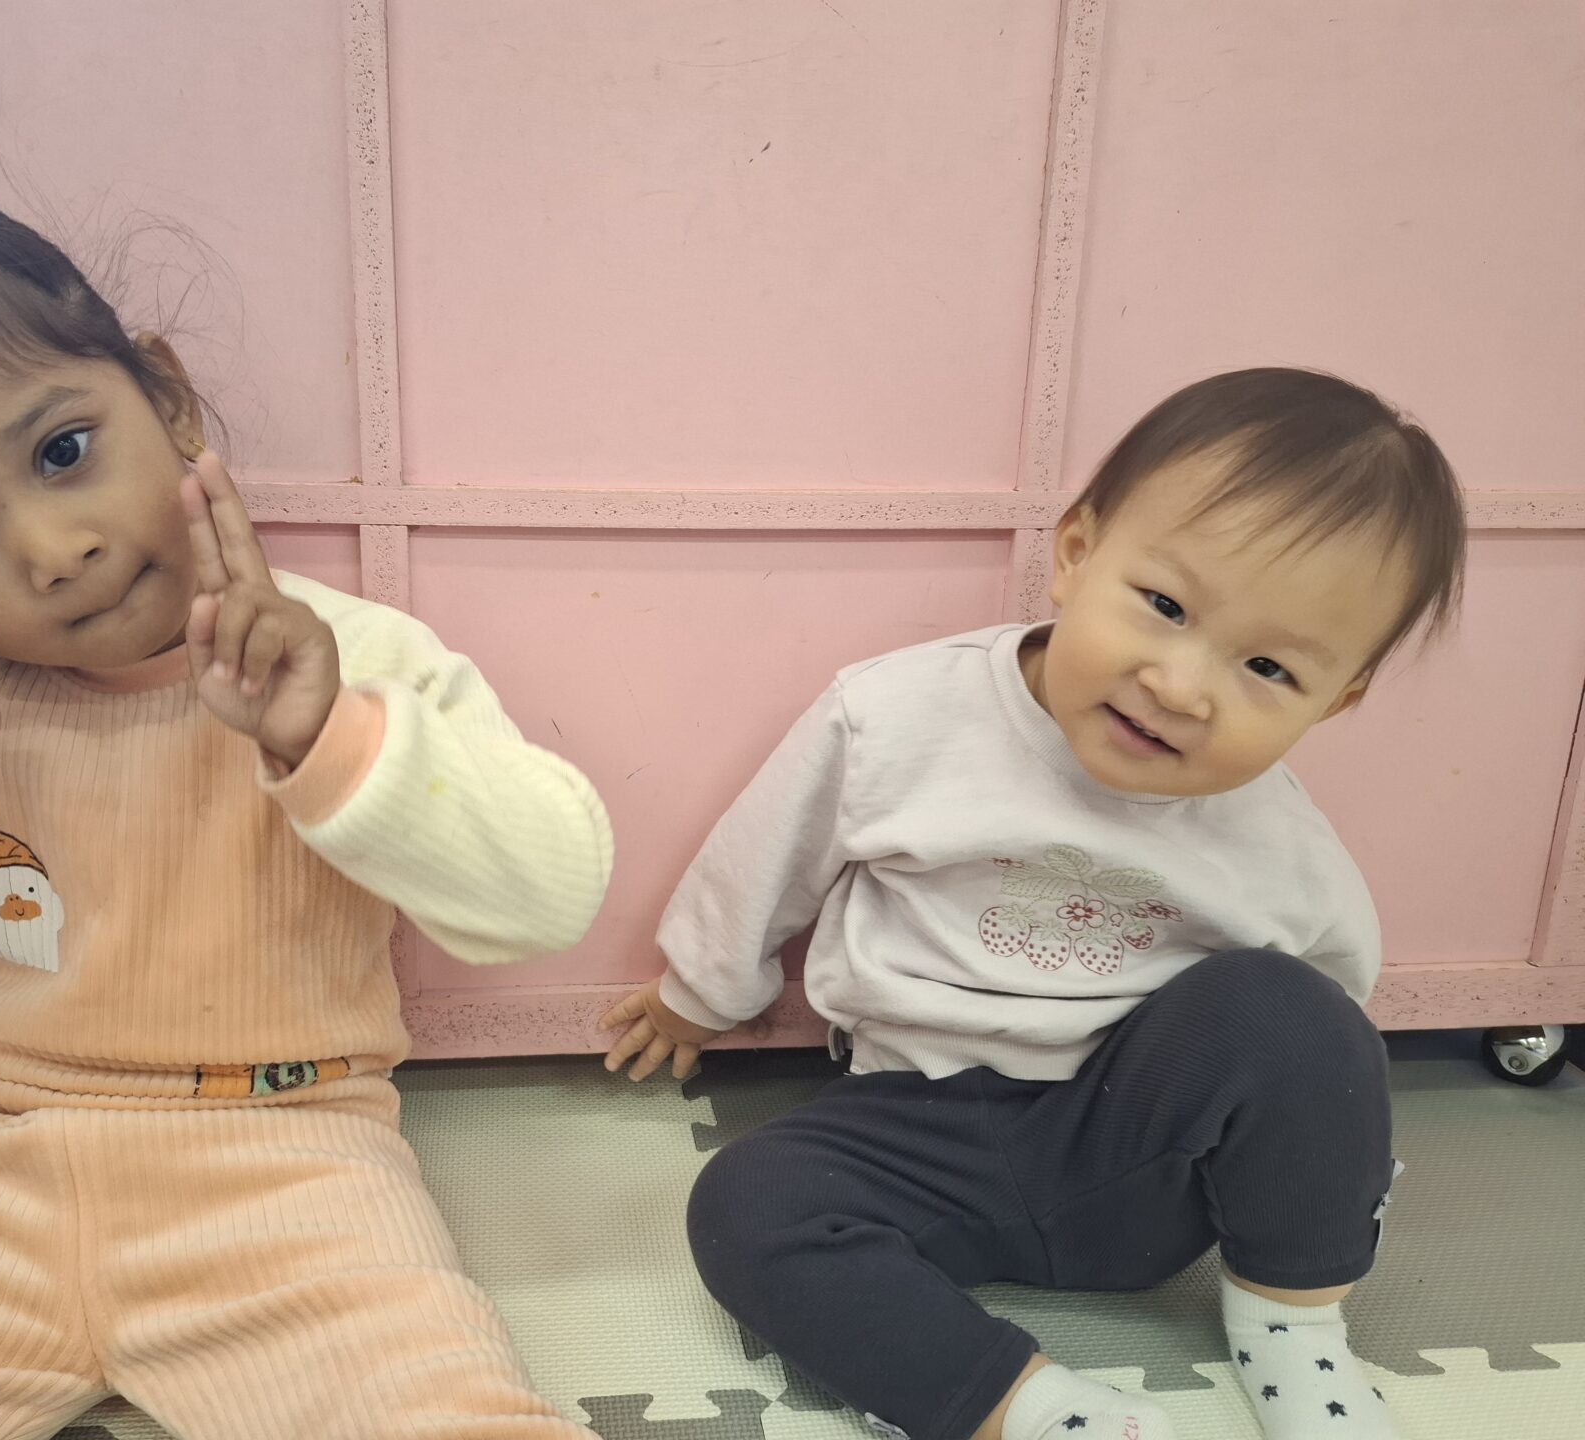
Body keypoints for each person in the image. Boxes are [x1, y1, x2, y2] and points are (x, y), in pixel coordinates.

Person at [0, 198, 613, 1438]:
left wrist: (326, 741)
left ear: (167, 399)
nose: (53, 551)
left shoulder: (348, 660)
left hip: (292, 1173)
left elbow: (548, 894)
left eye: (63, 451)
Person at [603, 368, 1464, 1440]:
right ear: (1075, 554)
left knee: (1290, 1009)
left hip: (1130, 1161)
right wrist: (700, 992)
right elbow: (768, 853)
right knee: (746, 1204)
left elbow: (1323, 1036)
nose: (1181, 686)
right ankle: (1026, 1409)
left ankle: (1295, 1334)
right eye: (1164, 606)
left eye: (1266, 668)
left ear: (1335, 700)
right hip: (912, 1131)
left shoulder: (1273, 834)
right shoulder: (903, 715)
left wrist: (1286, 1147)